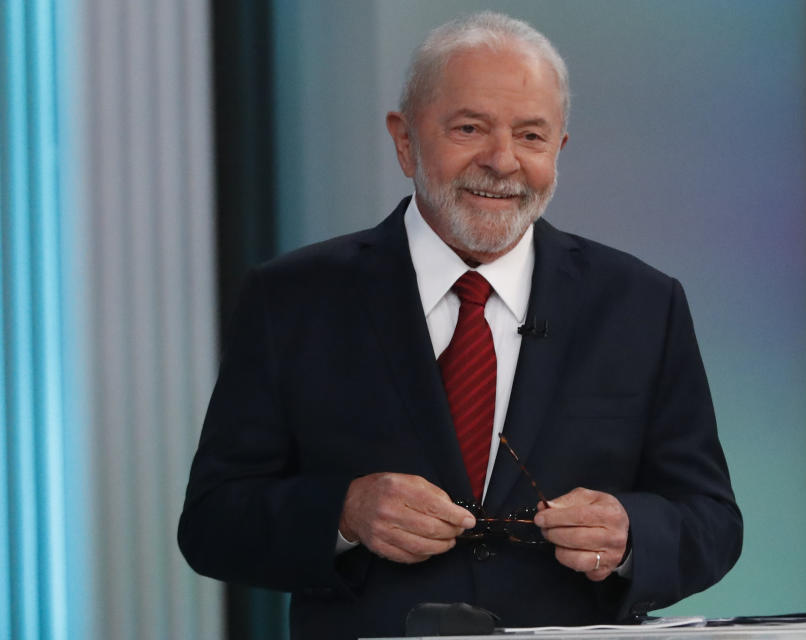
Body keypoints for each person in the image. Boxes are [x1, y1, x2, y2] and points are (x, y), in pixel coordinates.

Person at [178, 11, 742, 640]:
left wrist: (631, 533)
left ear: (558, 151)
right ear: (404, 140)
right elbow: (211, 522)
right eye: (469, 128)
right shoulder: (293, 299)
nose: (502, 161)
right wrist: (343, 513)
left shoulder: (642, 304)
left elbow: (712, 521)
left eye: (531, 136)